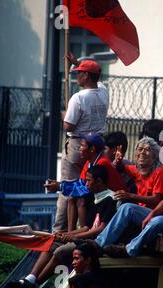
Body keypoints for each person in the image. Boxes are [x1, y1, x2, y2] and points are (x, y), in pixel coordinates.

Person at [7, 165, 118, 288]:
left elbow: (100, 229)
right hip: (84, 237)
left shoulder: (110, 199)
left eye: (89, 181)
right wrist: (65, 234)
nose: (86, 184)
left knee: (60, 251)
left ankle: (34, 285)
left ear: (99, 181)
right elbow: (87, 227)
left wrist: (73, 238)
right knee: (52, 241)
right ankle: (30, 278)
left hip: (94, 243)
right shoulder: (95, 198)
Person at [54, 53, 109, 232]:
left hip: (79, 145)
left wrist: (64, 115)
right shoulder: (103, 91)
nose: (76, 75)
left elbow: (68, 125)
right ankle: (82, 226)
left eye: (79, 72)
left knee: (67, 187)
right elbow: (96, 76)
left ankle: (59, 230)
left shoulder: (78, 98)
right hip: (97, 145)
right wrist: (78, 63)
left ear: (86, 76)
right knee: (87, 188)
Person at [45, 133, 125, 231]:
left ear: (92, 149)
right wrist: (60, 185)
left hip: (113, 202)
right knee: (71, 198)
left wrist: (60, 187)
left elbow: (86, 189)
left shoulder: (102, 162)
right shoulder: (89, 162)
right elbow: (81, 184)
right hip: (101, 197)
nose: (80, 148)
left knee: (81, 199)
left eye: (83, 145)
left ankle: (81, 234)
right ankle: (71, 233)